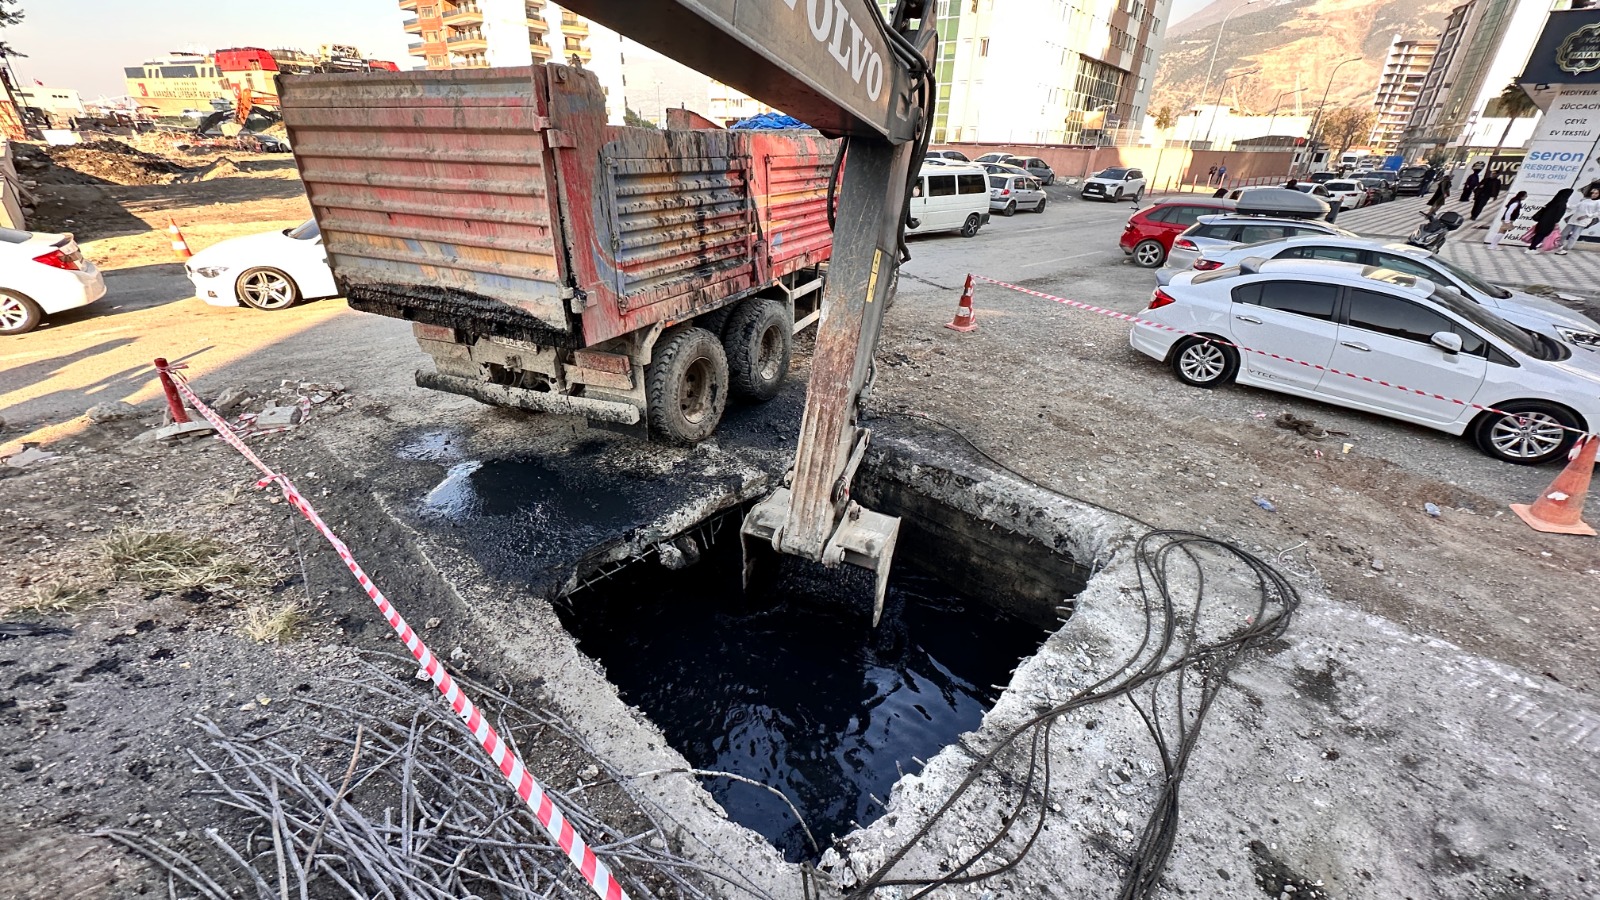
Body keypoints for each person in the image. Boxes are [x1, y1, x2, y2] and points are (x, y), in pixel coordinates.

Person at [1526, 187, 1572, 254]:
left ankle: (1532, 247)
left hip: (1542, 221)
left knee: (1538, 234)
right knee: (1541, 235)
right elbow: (1558, 217)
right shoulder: (1562, 204)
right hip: (1549, 222)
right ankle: (1532, 248)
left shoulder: (1553, 202)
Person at [1556, 186, 1600, 254]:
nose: (1594, 194)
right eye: (1593, 193)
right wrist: (1565, 204)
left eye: (1596, 193)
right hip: (1574, 218)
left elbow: (1598, 213)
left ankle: (1566, 249)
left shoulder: (1598, 202)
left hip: (1583, 220)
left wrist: (1586, 216)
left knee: (1574, 235)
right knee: (1564, 233)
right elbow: (1576, 206)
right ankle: (1559, 245)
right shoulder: (1585, 200)